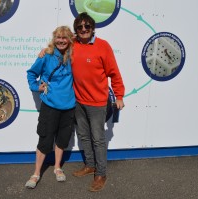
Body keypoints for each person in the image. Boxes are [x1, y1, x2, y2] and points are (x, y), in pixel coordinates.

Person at [39, 12, 125, 192]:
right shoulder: (73, 45)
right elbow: (57, 46)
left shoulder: (103, 46)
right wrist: (45, 51)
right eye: (80, 27)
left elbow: (114, 73)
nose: (84, 29)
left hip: (98, 103)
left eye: (87, 26)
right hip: (78, 101)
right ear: (76, 30)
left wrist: (119, 96)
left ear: (93, 28)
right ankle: (91, 166)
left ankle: (101, 174)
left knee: (98, 139)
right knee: (84, 136)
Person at [25, 26, 76, 189]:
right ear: (54, 39)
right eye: (58, 38)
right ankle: (36, 173)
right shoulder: (46, 55)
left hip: (69, 105)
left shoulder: (74, 55)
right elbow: (31, 73)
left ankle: (57, 168)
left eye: (65, 38)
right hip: (50, 105)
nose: (61, 41)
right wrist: (35, 86)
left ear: (69, 40)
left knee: (62, 139)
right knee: (45, 139)